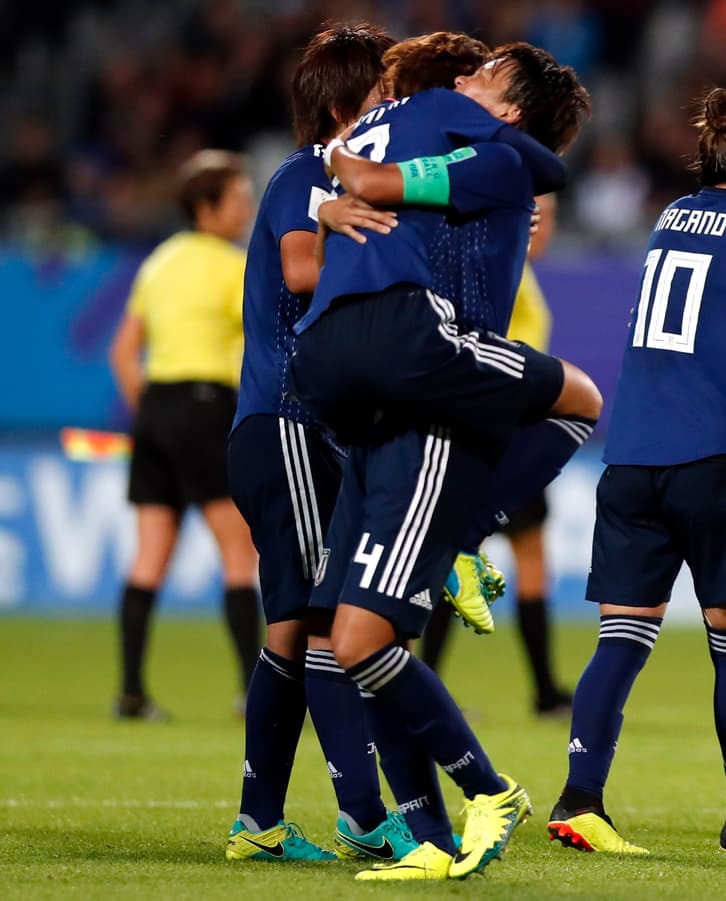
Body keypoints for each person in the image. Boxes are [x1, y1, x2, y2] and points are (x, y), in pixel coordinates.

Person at [288, 42, 595, 882]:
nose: (460, 83)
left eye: (482, 74)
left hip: (431, 391)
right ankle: (430, 834)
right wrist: (335, 195)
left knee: (582, 397)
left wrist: (344, 181)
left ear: (506, 109)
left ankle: (466, 536)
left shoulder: (488, 160)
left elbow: (455, 181)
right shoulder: (456, 151)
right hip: (395, 386)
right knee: (362, 642)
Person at [546, 88, 726, 856]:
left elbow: (690, 337)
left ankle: (580, 798)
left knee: (621, 638)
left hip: (632, 459)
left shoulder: (671, 221)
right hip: (716, 461)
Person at [222, 23, 424, 864]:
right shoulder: (305, 176)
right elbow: (301, 271)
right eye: (384, 94)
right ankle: (364, 814)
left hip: (302, 431)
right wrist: (348, 224)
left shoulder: (346, 183)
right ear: (347, 103)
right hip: (286, 423)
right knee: (321, 622)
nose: (394, 109)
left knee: (290, 628)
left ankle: (258, 820)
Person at [107, 149, 259, 721]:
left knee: (149, 556)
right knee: (240, 551)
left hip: (156, 407)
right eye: (239, 198)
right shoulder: (231, 265)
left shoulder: (159, 262)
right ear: (206, 207)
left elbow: (123, 353)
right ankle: (252, 690)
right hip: (206, 406)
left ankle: (130, 693)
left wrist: (152, 414)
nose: (246, 208)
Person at [418, 192, 575, 718]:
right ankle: (543, 690)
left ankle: (432, 681)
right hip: (506, 429)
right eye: (539, 217)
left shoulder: (504, 267)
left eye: (550, 218)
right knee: (494, 557)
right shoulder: (503, 270)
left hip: (505, 426)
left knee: (467, 556)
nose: (545, 228)